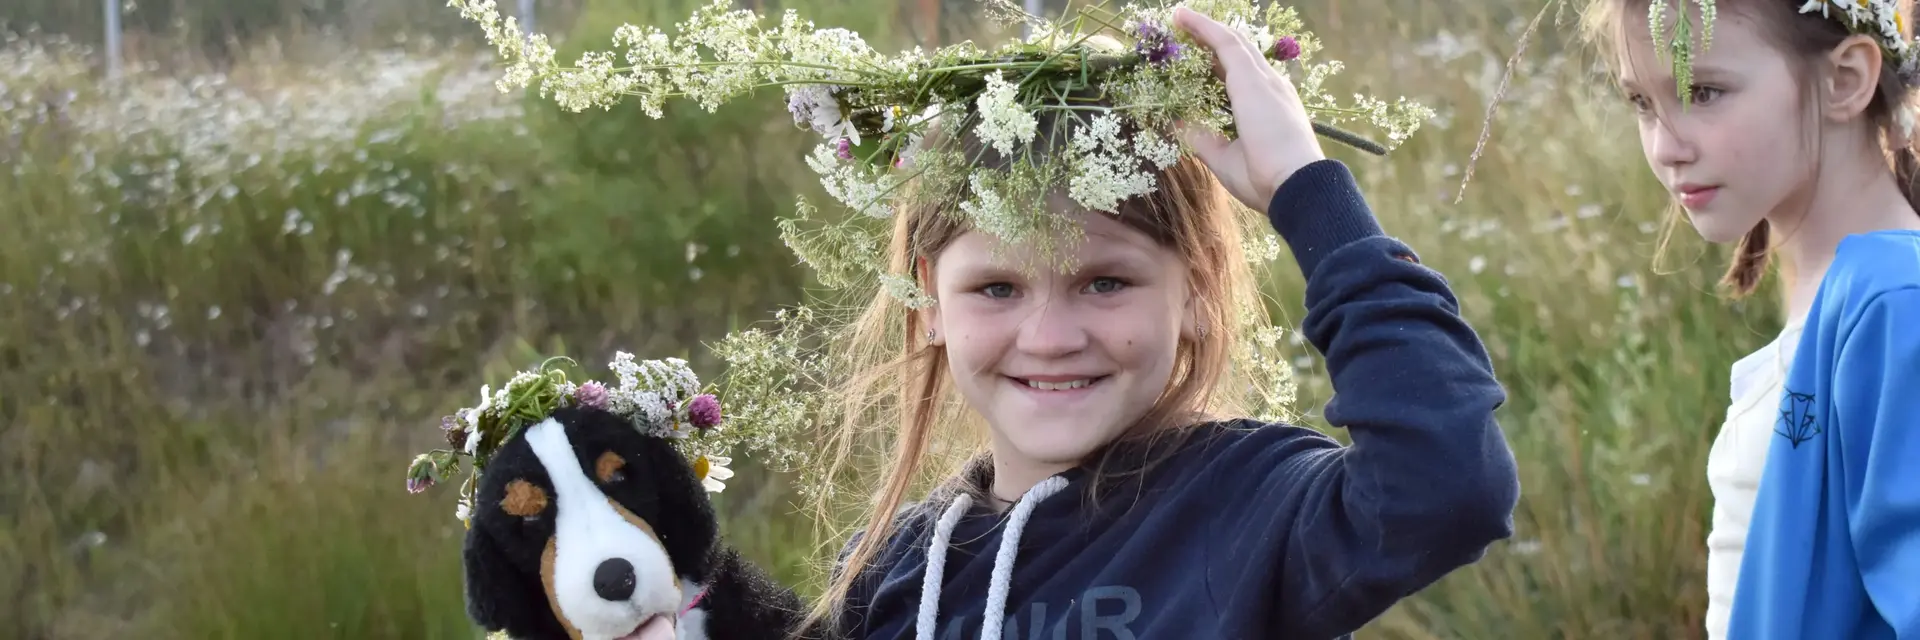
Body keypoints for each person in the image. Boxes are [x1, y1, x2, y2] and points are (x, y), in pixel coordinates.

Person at [788, 7, 1522, 639]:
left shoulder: (1248, 508)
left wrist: (1307, 191)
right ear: (930, 299)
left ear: (1198, 288)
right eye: (997, 287)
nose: (1048, 338)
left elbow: (1450, 488)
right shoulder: (892, 570)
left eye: (1104, 282)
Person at [1582, 0, 1920, 637]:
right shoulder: (1855, 303)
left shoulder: (1895, 301)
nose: (1666, 146)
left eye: (1704, 91)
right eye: (1641, 103)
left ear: (1845, 79)